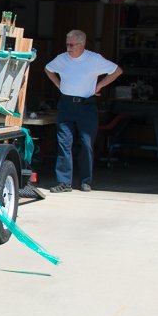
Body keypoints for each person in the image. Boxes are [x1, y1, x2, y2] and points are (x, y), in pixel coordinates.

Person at [43, 29, 122, 193]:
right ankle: (64, 182)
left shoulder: (94, 59)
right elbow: (48, 69)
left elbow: (117, 71)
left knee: (86, 144)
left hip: (86, 106)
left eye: (72, 45)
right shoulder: (61, 59)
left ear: (82, 44)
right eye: (67, 44)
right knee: (64, 143)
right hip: (66, 105)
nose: (68, 48)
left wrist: (100, 85)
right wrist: (58, 84)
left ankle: (86, 181)